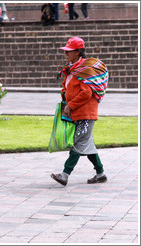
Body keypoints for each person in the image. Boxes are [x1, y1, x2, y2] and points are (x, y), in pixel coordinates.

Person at [50, 36, 108, 186]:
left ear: (77, 52)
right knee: (87, 143)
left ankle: (64, 174)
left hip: (85, 113)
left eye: (68, 51)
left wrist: (71, 105)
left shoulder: (85, 70)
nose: (66, 54)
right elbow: (68, 87)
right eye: (66, 51)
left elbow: (86, 93)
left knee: (79, 142)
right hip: (77, 112)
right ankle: (100, 173)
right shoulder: (73, 69)